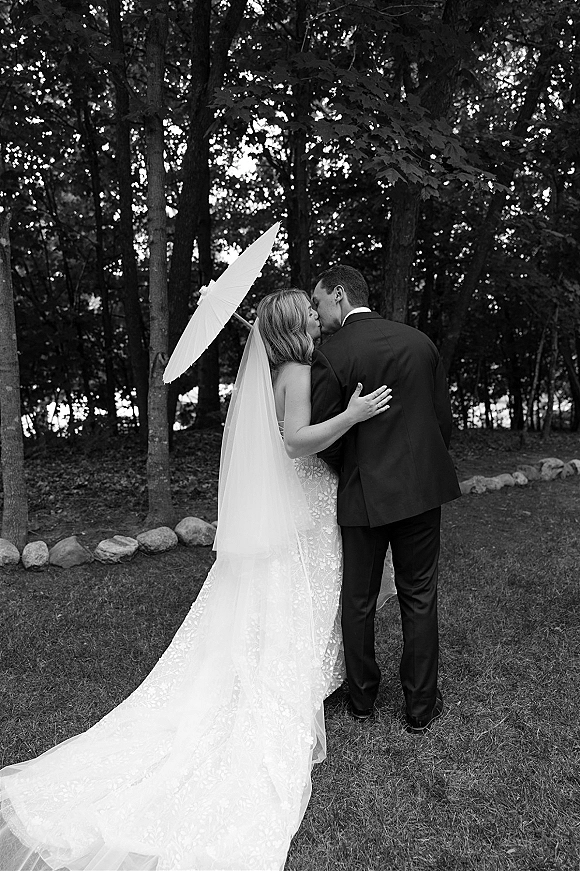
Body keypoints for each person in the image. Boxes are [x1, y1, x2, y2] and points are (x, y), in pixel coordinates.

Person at [0, 289, 390, 871]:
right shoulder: (297, 371)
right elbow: (295, 441)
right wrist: (352, 416)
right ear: (293, 323)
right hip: (303, 498)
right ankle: (294, 677)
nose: (317, 314)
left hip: (290, 499)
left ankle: (288, 668)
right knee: (302, 591)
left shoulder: (275, 371)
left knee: (282, 593)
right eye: (308, 311)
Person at [310, 265, 461, 732]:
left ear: (339, 294)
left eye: (317, 302)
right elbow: (441, 423)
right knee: (420, 595)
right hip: (421, 492)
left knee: (358, 599)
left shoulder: (332, 354)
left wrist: (354, 468)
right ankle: (420, 707)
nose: (316, 312)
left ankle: (362, 701)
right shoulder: (420, 342)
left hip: (363, 493)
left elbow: (325, 438)